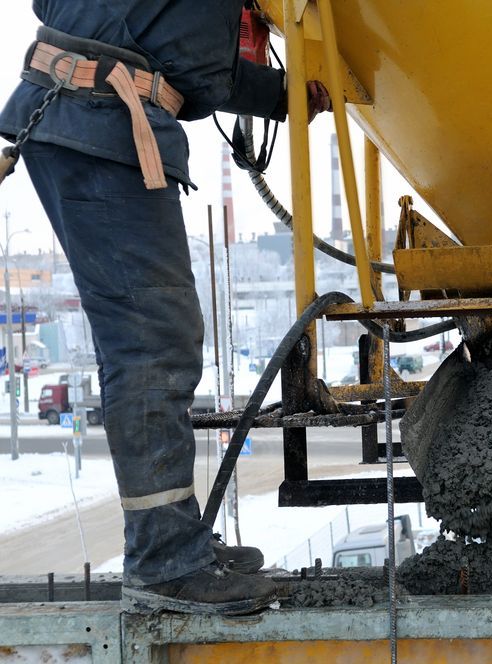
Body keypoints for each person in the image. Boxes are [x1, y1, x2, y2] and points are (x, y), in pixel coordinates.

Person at [0, 2, 331, 615]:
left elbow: (176, 52)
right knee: (152, 342)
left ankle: (176, 544)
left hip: (89, 118)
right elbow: (204, 70)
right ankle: (166, 563)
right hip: (98, 122)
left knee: (156, 336)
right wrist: (286, 90)